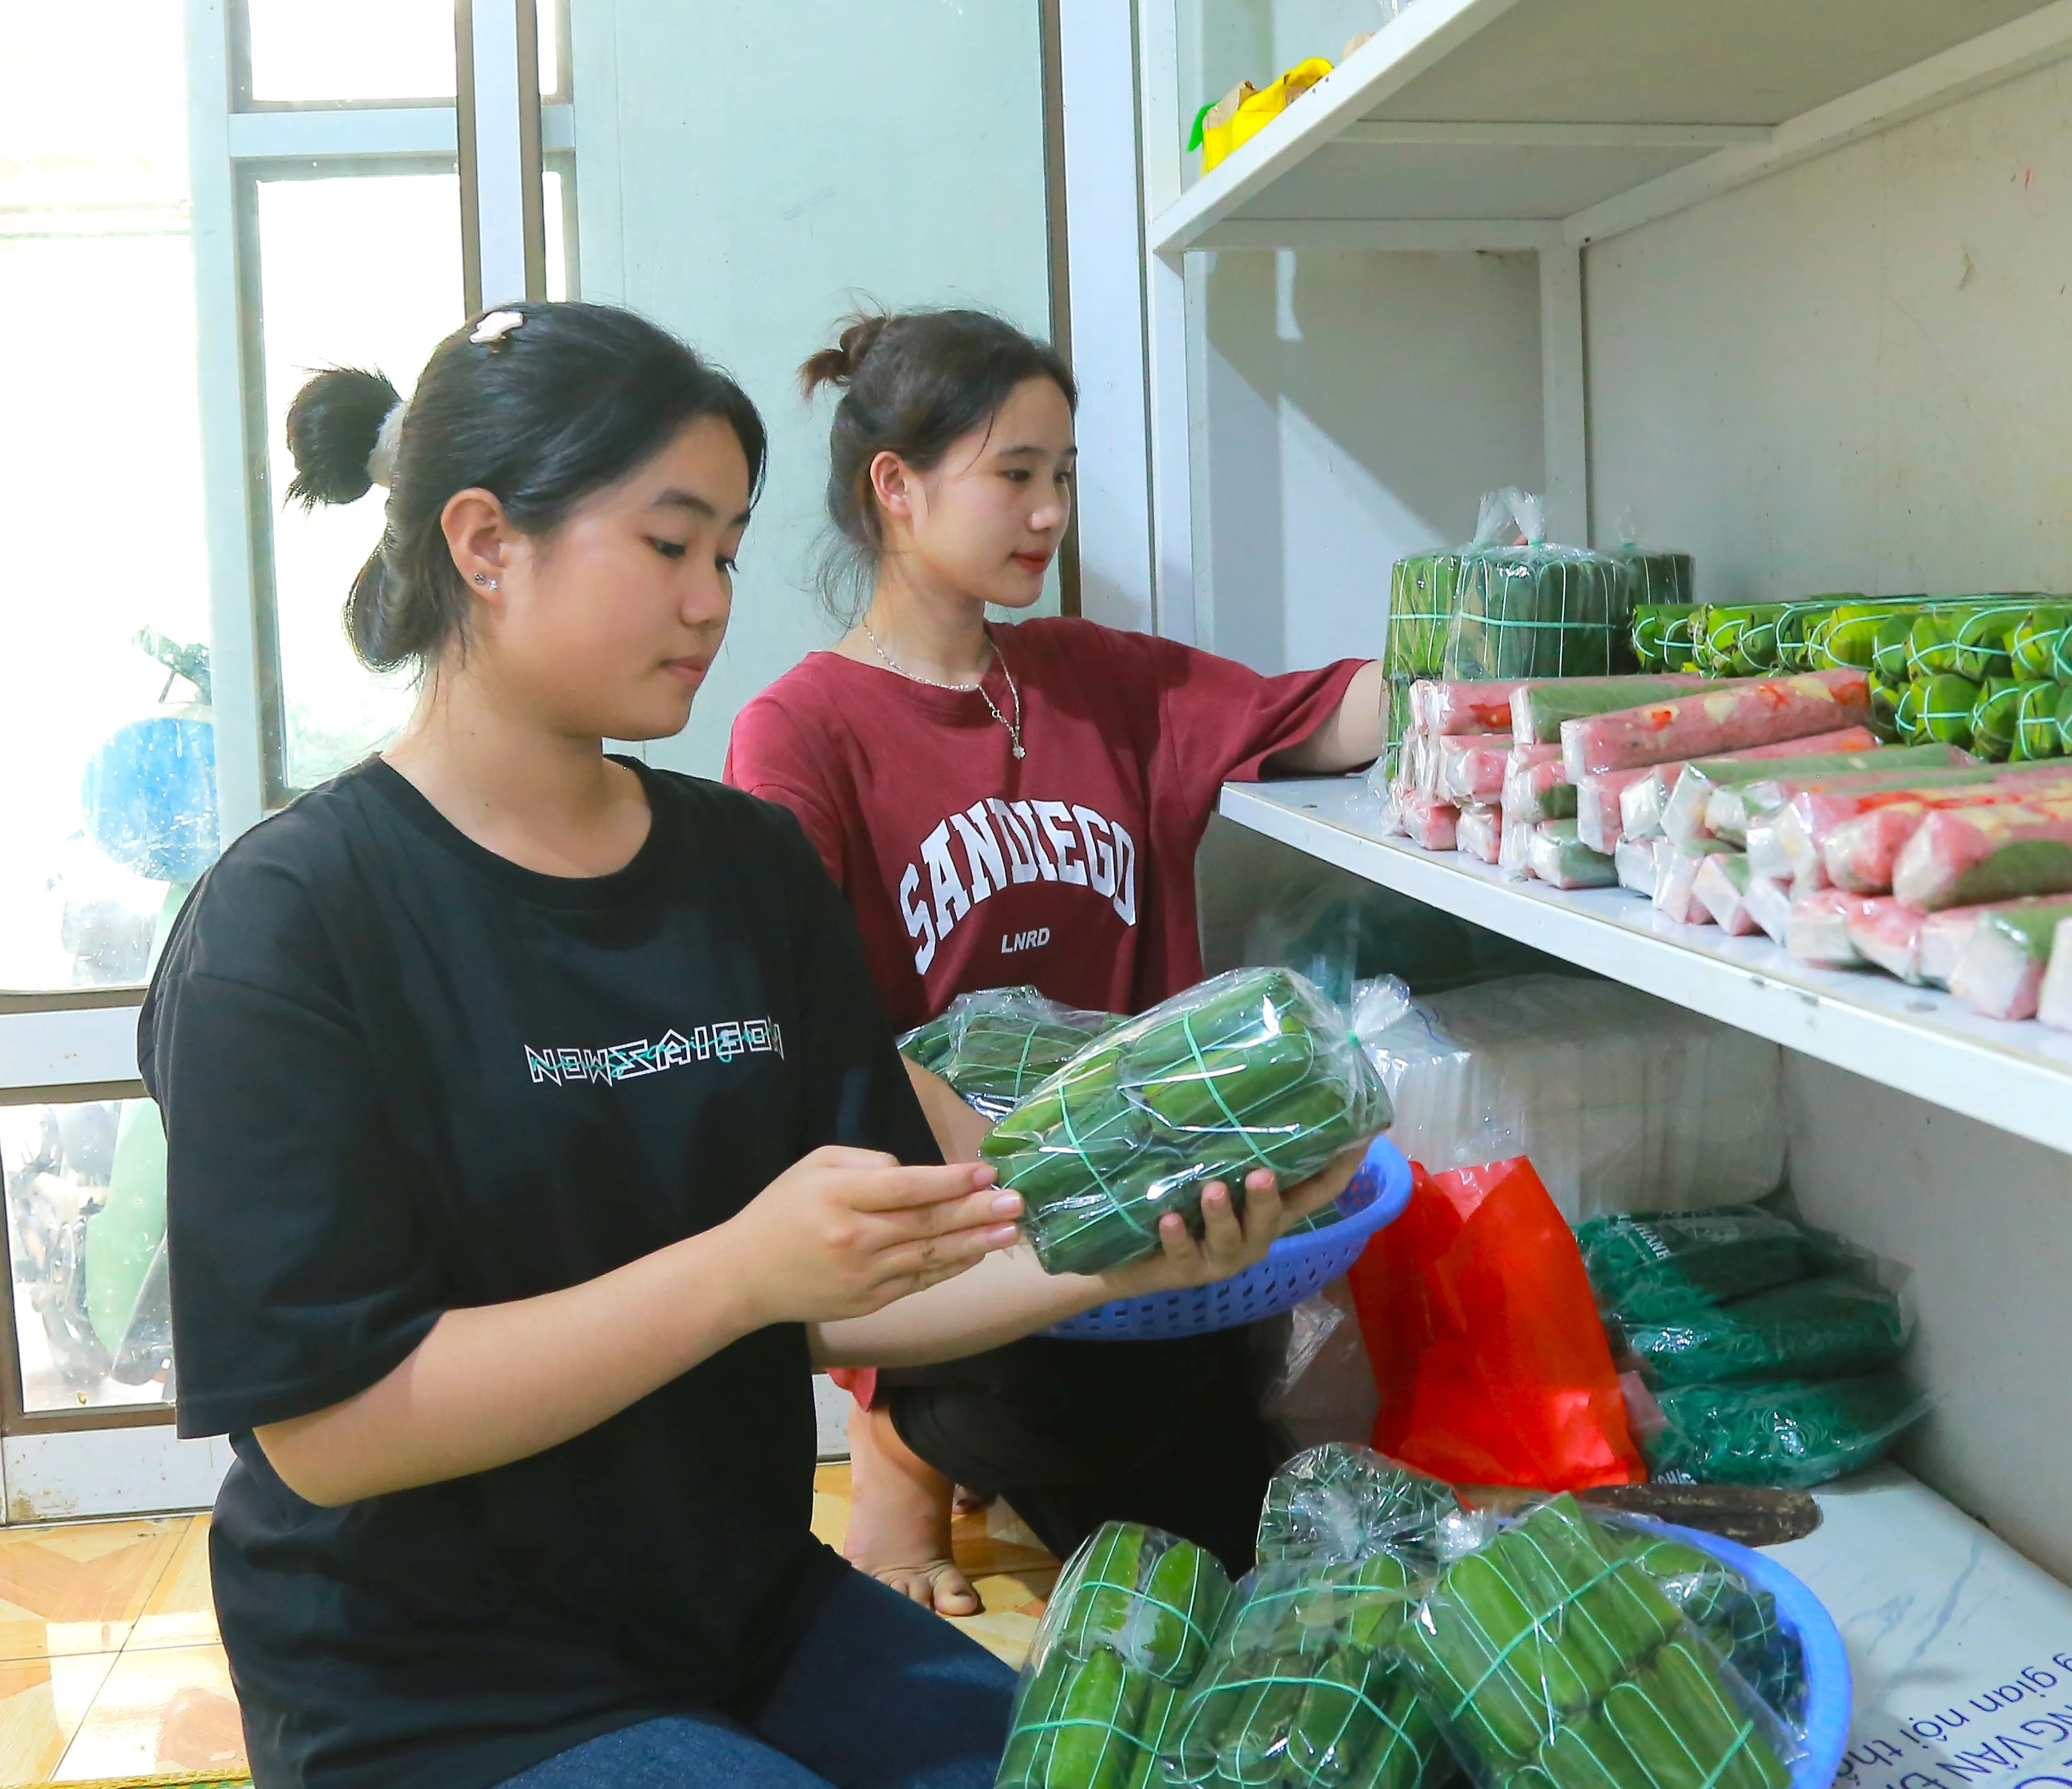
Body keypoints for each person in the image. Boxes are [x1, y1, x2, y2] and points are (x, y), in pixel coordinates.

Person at [143, 300, 1358, 1789]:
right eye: (667, 545)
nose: (712, 600)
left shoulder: (742, 871)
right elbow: (328, 1433)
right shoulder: (292, 927)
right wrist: (734, 1273)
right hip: (438, 1686)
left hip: (740, 1610)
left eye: (724, 550)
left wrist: (1131, 1262)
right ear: (483, 543)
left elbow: (851, 1286)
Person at [726, 308, 1382, 1614]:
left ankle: (961, 1441)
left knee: (1238, 1544)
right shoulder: (801, 731)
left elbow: (1326, 714)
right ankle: (903, 1441)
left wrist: (1488, 668)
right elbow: (802, 1015)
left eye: (1063, 475)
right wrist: (987, 1170)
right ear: (896, 486)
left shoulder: (1098, 679)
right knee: (1078, 1432)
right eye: (1014, 473)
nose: (1049, 511)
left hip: (1146, 1206)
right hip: (965, 1235)